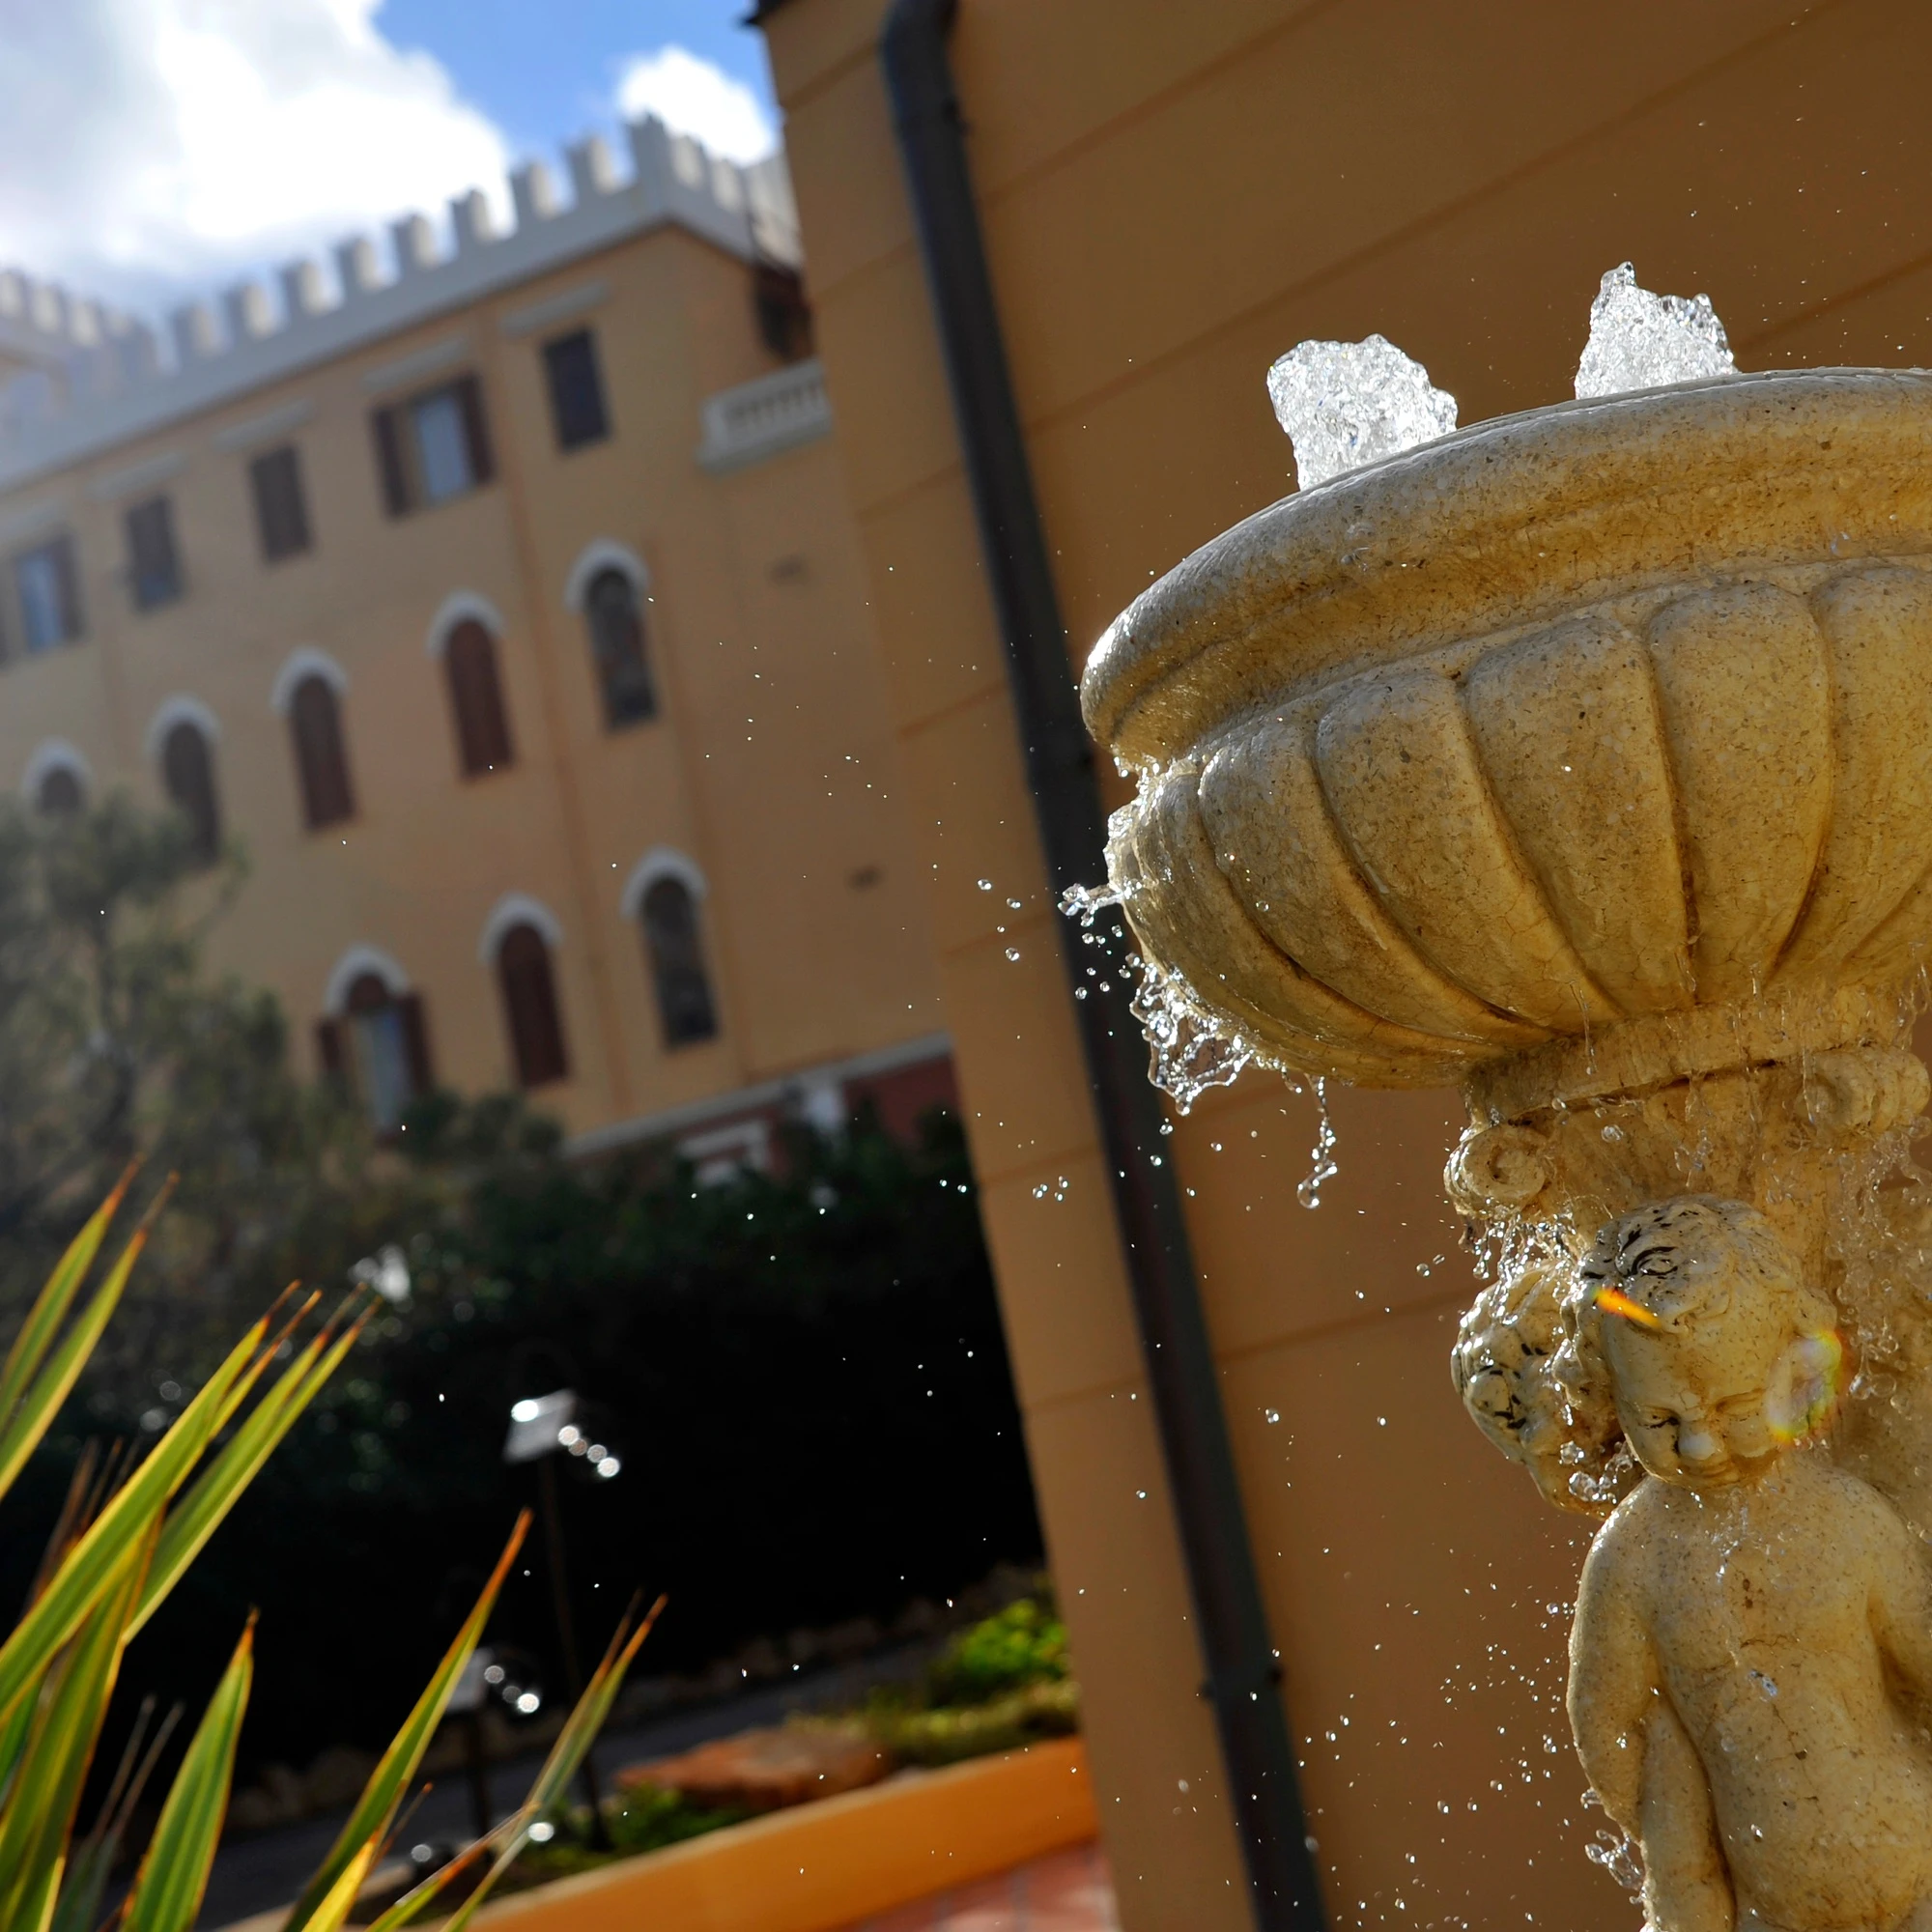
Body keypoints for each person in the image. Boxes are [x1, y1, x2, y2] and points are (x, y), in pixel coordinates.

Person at [1565, 1194, 1932, 1932]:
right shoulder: (1633, 1562)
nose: (1701, 1448)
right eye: (1661, 1422)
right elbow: (1611, 1731)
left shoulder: (1848, 1518)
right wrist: (1685, 1863)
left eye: (1736, 1408)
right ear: (1613, 1395)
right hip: (1764, 1910)